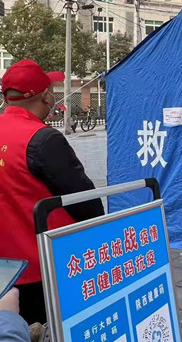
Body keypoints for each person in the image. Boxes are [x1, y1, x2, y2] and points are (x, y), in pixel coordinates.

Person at [0, 60, 104, 325]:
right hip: (42, 268)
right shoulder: (43, 138)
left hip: (5, 271)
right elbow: (85, 202)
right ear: (46, 97)